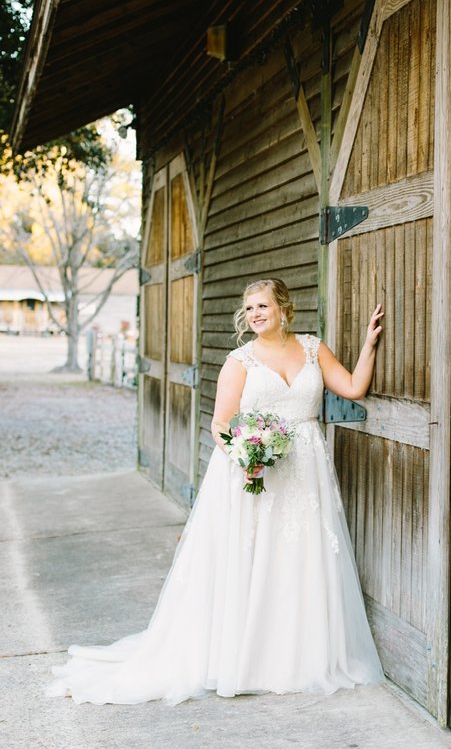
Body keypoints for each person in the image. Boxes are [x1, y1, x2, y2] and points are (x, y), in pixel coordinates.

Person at [47, 278, 386, 704]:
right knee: (251, 559)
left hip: (305, 469)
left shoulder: (314, 349)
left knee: (300, 557)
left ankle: (294, 655)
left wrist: (370, 345)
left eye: (262, 305)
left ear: (284, 307)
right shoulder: (240, 360)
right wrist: (247, 457)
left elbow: (353, 387)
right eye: (249, 309)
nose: (255, 314)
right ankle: (243, 654)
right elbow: (221, 425)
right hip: (253, 474)